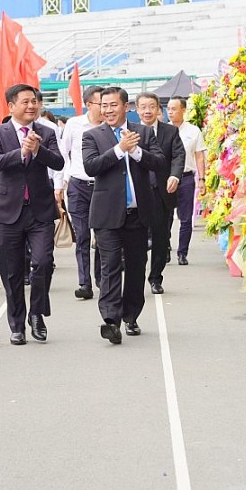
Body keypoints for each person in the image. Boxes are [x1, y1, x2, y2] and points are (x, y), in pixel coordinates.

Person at [83, 86, 164, 344]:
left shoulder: (143, 132)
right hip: (107, 214)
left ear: (125, 107)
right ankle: (110, 320)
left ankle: (131, 315)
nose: (107, 110)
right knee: (110, 267)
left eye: (113, 105)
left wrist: (135, 151)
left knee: (136, 267)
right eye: (103, 105)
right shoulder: (92, 136)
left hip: (137, 213)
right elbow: (91, 166)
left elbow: (159, 162)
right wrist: (119, 149)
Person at [0, 84, 64, 345]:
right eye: (25, 102)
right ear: (11, 106)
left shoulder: (47, 131)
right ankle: (16, 324)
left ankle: (37, 314)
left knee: (42, 263)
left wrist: (37, 149)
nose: (31, 106)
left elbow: (58, 162)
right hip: (7, 211)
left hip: (40, 210)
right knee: (12, 271)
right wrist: (21, 151)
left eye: (34, 101)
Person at [136, 92, 184, 295]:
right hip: (137, 194)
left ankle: (155, 277)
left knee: (160, 238)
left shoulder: (170, 132)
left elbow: (178, 156)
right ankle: (135, 276)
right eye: (143, 107)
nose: (148, 111)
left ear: (158, 110)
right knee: (136, 238)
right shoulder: (130, 132)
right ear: (136, 109)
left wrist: (175, 176)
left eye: (151, 107)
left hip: (162, 192)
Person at [59, 85, 104, 299]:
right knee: (83, 235)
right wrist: (62, 182)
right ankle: (84, 282)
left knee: (103, 236)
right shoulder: (75, 125)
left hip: (104, 187)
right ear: (88, 104)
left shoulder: (111, 126)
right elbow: (62, 153)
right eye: (100, 104)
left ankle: (101, 279)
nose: (105, 108)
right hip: (78, 186)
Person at [167, 96, 206, 265]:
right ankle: (165, 248)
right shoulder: (164, 130)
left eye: (174, 109)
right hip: (167, 179)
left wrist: (202, 179)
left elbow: (199, 157)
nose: (170, 112)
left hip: (187, 178)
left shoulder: (193, 131)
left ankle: (182, 252)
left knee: (185, 218)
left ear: (183, 110)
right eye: (168, 109)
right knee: (165, 217)